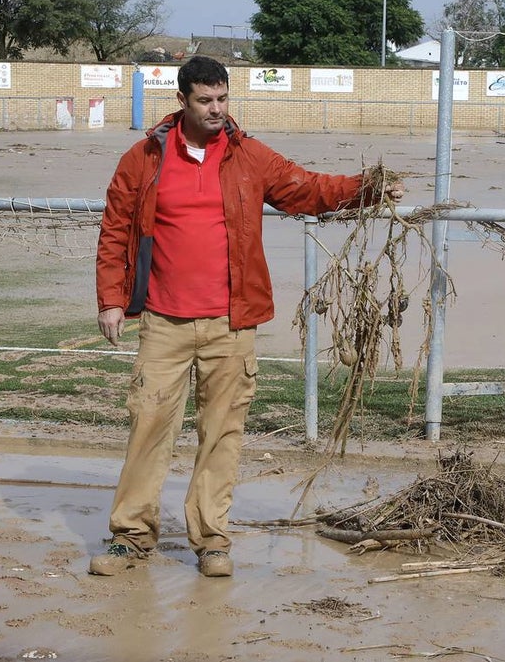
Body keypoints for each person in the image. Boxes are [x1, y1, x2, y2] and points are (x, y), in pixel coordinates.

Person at [90, 56, 404, 578]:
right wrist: (111, 298)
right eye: (205, 100)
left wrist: (366, 188)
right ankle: (130, 538)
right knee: (148, 428)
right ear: (182, 101)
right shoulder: (143, 158)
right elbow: (115, 228)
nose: (216, 110)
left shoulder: (248, 156)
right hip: (163, 323)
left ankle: (212, 541)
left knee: (222, 432)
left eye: (223, 99)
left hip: (232, 323)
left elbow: (307, 190)